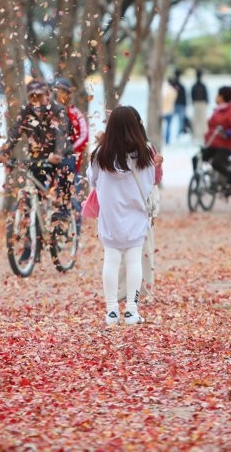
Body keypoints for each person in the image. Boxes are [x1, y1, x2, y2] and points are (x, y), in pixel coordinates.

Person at [89, 106, 162, 326]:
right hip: (135, 215)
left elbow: (92, 181)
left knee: (110, 260)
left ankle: (112, 311)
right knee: (133, 261)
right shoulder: (146, 153)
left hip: (110, 216)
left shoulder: (100, 154)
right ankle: (131, 311)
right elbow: (151, 184)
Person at [0, 79, 70, 214]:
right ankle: (33, 225)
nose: (35, 99)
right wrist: (4, 154)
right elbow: (15, 132)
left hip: (61, 156)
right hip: (39, 157)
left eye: (39, 96)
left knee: (61, 196)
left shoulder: (57, 110)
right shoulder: (26, 112)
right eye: (32, 96)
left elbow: (61, 133)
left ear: (47, 95)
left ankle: (63, 218)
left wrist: (58, 153)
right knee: (33, 189)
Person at [52, 77, 89, 225]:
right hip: (51, 161)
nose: (60, 95)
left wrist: (69, 150)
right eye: (57, 91)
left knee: (73, 198)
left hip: (71, 163)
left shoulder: (76, 114)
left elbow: (84, 135)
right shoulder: (49, 113)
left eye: (63, 92)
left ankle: (76, 229)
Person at [194, 85, 231, 192]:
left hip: (227, 146)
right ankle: (198, 182)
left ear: (222, 96)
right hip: (213, 144)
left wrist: (229, 132)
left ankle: (230, 179)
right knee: (196, 158)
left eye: (218, 95)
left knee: (216, 162)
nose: (215, 97)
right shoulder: (218, 110)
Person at [191, 70, 209, 142]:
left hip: (198, 103)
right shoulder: (200, 86)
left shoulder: (195, 86)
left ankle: (199, 135)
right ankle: (199, 135)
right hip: (200, 103)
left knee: (199, 120)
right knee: (200, 120)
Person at [171, 69, 189, 137]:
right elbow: (184, 96)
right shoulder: (181, 85)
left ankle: (177, 135)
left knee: (173, 121)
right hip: (180, 104)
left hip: (175, 104)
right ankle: (178, 135)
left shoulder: (173, 84)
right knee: (180, 121)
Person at [161, 77, 177, 146]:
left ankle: (163, 139)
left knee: (162, 126)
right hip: (170, 110)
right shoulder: (174, 91)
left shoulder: (164, 90)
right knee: (168, 126)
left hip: (163, 110)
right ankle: (167, 140)